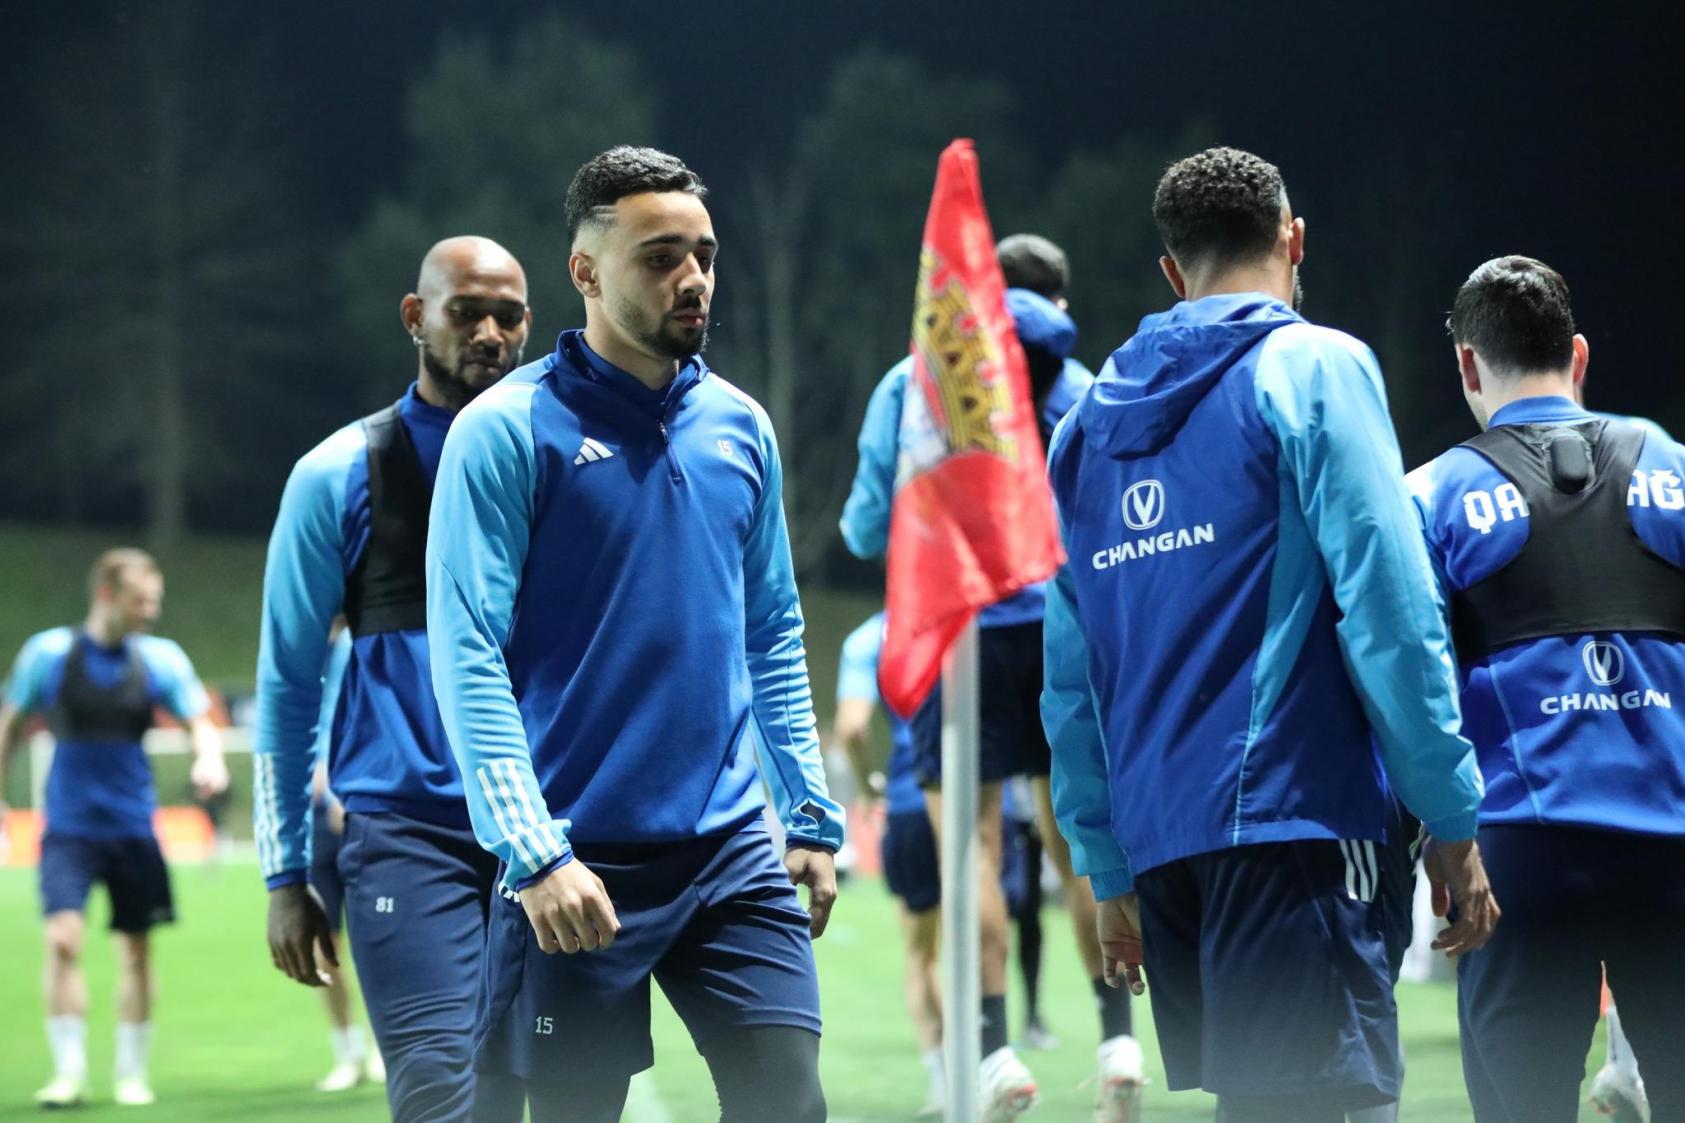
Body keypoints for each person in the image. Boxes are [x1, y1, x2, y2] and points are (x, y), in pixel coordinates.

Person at [1041, 146, 1499, 1123]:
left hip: (1165, 847)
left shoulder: (1081, 428)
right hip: (1297, 819)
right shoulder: (1311, 366)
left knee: (1263, 1103)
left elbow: (1071, 673)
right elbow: (1391, 609)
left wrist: (1106, 861)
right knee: (1320, 1101)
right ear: (1293, 241)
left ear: (1172, 272)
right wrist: (1449, 812)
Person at [426, 145, 844, 1123]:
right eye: (660, 257)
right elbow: (467, 652)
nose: (691, 277)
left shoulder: (741, 426)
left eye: (703, 255)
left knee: (789, 1106)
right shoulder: (505, 429)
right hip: (575, 854)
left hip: (730, 848)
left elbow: (772, 631)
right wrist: (533, 853)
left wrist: (807, 813)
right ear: (584, 271)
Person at [841, 232, 1143, 1122]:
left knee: (970, 848)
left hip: (962, 631)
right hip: (1062, 628)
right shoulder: (1082, 384)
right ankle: (1118, 1039)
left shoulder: (912, 383)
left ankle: (995, 1052)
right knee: (1077, 839)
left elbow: (864, 527)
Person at [254, 235, 532, 1122]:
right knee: (441, 1089)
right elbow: (288, 684)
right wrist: (284, 873)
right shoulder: (335, 475)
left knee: (533, 1094)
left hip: (550, 835)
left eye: (508, 316)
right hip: (410, 837)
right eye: (466, 312)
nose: (488, 333)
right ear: (415, 316)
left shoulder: (563, 460)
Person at [1406, 255, 1685, 1121]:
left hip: (1516, 858)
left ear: (1466, 364)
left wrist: (1438, 831)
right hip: (1672, 845)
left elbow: (1411, 679)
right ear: (1577, 354)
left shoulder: (1429, 492)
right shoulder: (1673, 464)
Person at [0, 548, 229, 1108]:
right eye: (140, 600)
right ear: (106, 595)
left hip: (133, 827)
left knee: (137, 950)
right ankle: (69, 1073)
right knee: (62, 941)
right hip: (69, 827)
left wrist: (209, 758)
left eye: (154, 600)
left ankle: (130, 1073)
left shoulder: (160, 659)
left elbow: (199, 720)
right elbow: (8, 725)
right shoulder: (49, 654)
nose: (150, 611)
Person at [834, 611, 946, 1118]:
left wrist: (865, 787)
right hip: (986, 797)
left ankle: (945, 1079)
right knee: (978, 937)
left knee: (922, 953)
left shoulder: (869, 637)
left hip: (910, 796)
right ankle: (994, 1058)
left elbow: (853, 727)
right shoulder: (971, 612)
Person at [304, 626, 384, 1093]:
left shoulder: (365, 634)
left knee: (379, 939)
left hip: (360, 805)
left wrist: (338, 782)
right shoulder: (301, 643)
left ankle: (381, 1048)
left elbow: (353, 711)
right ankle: (348, 1052)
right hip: (314, 818)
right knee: (322, 940)